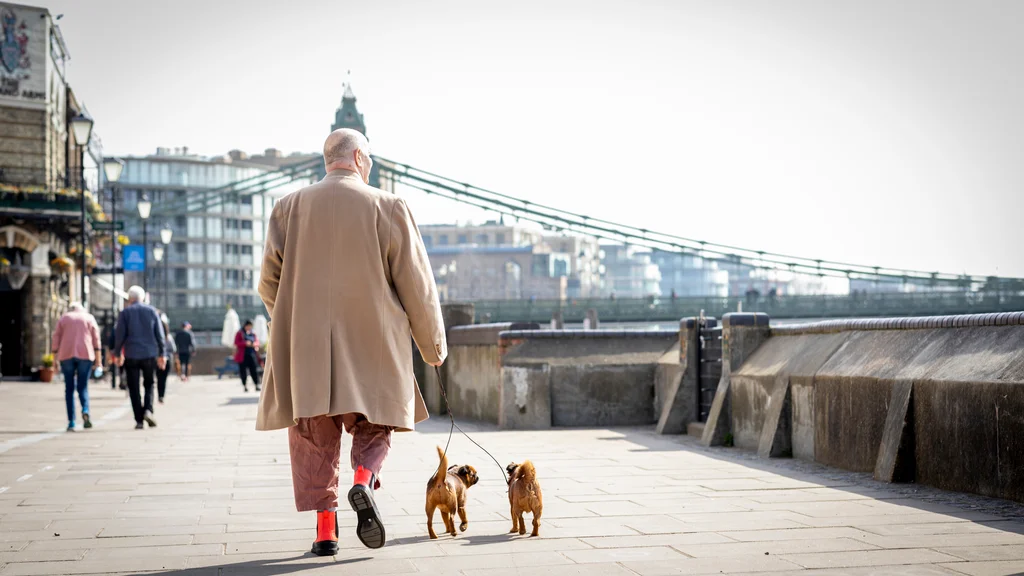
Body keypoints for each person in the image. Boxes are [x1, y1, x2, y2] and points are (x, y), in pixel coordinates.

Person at [256, 128, 446, 554]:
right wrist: (433, 348)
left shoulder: (287, 208)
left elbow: (268, 283)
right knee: (374, 422)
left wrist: (292, 319)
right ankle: (363, 482)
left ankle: (326, 532)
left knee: (313, 435)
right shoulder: (389, 206)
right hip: (372, 343)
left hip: (307, 349)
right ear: (359, 157)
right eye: (371, 158)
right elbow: (418, 286)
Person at [113, 286, 166, 430]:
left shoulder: (125, 313)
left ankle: (139, 420)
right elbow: (160, 335)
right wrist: (163, 354)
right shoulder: (151, 311)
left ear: (130, 298)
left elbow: (119, 336)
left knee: (134, 387)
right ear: (142, 297)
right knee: (149, 383)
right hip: (149, 354)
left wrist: (118, 354)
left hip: (131, 354)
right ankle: (148, 410)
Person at [51, 303, 102, 432]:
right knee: (83, 386)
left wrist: (54, 362)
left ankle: (71, 421)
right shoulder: (89, 318)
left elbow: (55, 339)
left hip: (66, 355)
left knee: (69, 388)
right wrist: (99, 361)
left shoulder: (64, 318)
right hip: (85, 354)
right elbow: (96, 340)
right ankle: (85, 409)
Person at [234, 320, 261, 393]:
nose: (249, 327)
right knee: (243, 371)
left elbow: (257, 342)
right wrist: (245, 343)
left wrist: (254, 344)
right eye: (248, 326)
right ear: (245, 326)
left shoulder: (253, 333)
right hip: (242, 356)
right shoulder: (240, 333)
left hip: (252, 354)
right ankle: (245, 385)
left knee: (254, 370)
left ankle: (256, 384)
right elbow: (236, 342)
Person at [157, 318, 176, 403]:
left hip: (157, 359)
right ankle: (162, 395)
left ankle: (159, 395)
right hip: (167, 359)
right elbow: (173, 349)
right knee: (164, 378)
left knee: (158, 378)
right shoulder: (169, 337)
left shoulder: (155, 338)